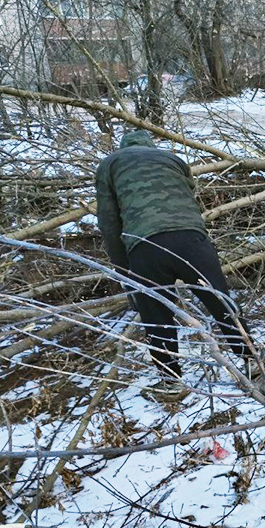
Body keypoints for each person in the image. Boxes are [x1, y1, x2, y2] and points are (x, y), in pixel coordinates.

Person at [95, 129, 253, 382]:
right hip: (192, 240)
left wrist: (124, 271)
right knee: (221, 303)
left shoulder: (110, 164)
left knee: (157, 316)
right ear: (150, 146)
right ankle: (253, 361)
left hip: (145, 245)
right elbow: (187, 196)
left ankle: (170, 380)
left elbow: (109, 223)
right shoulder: (173, 159)